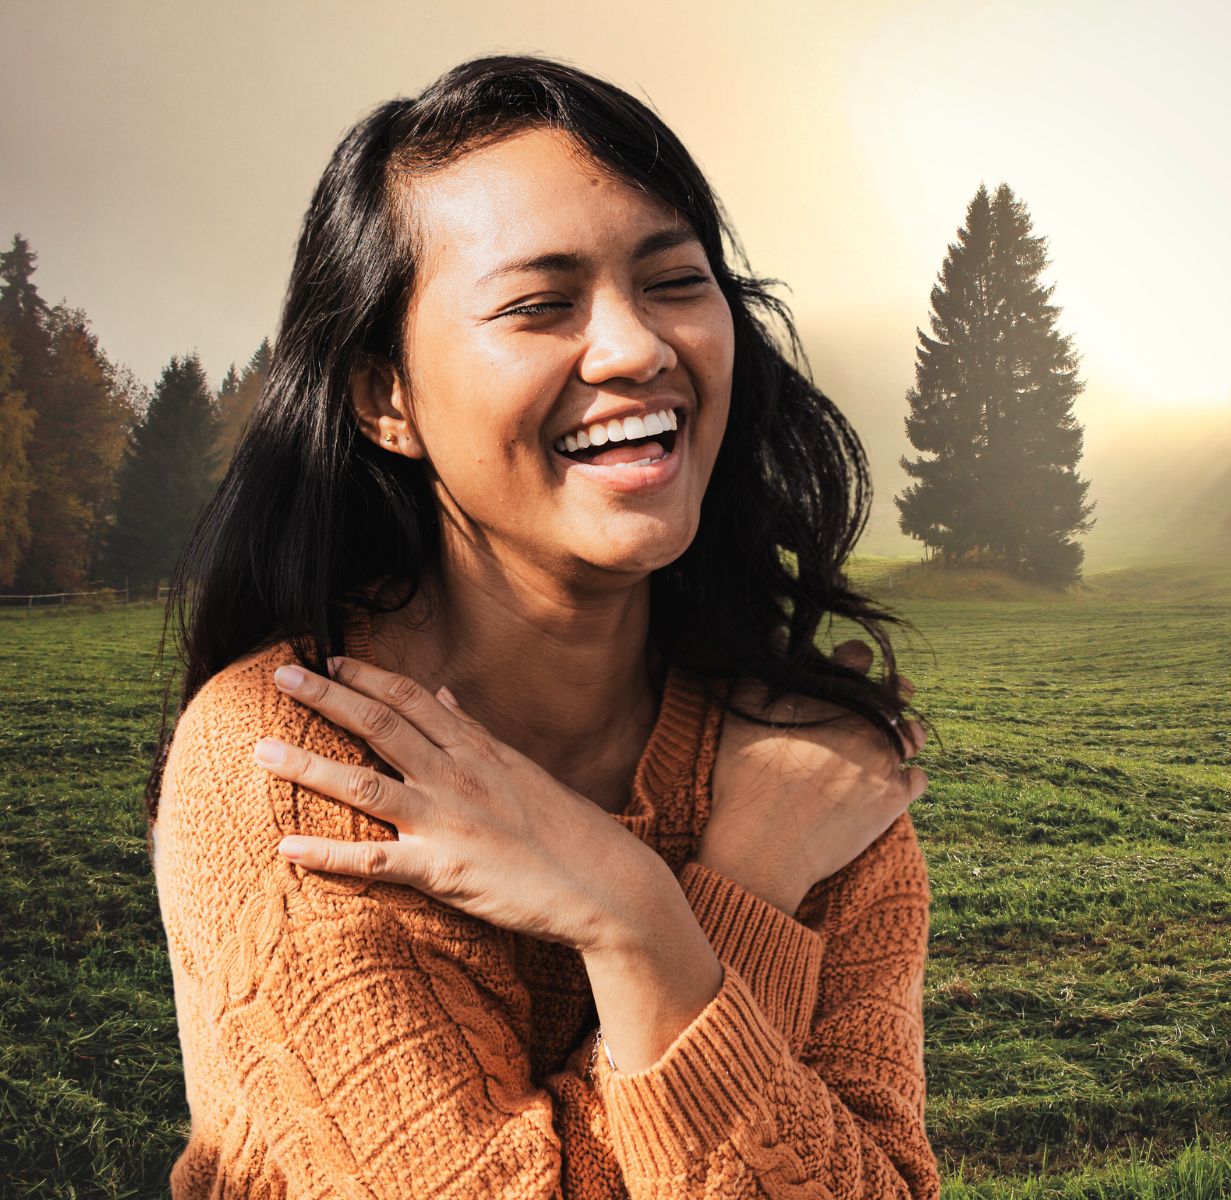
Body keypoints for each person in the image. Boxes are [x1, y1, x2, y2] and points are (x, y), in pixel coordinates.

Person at [146, 54, 939, 1198]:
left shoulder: (815, 765)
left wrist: (671, 919)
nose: (633, 350)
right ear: (386, 399)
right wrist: (695, 907)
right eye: (538, 306)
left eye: (674, 282)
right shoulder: (296, 772)